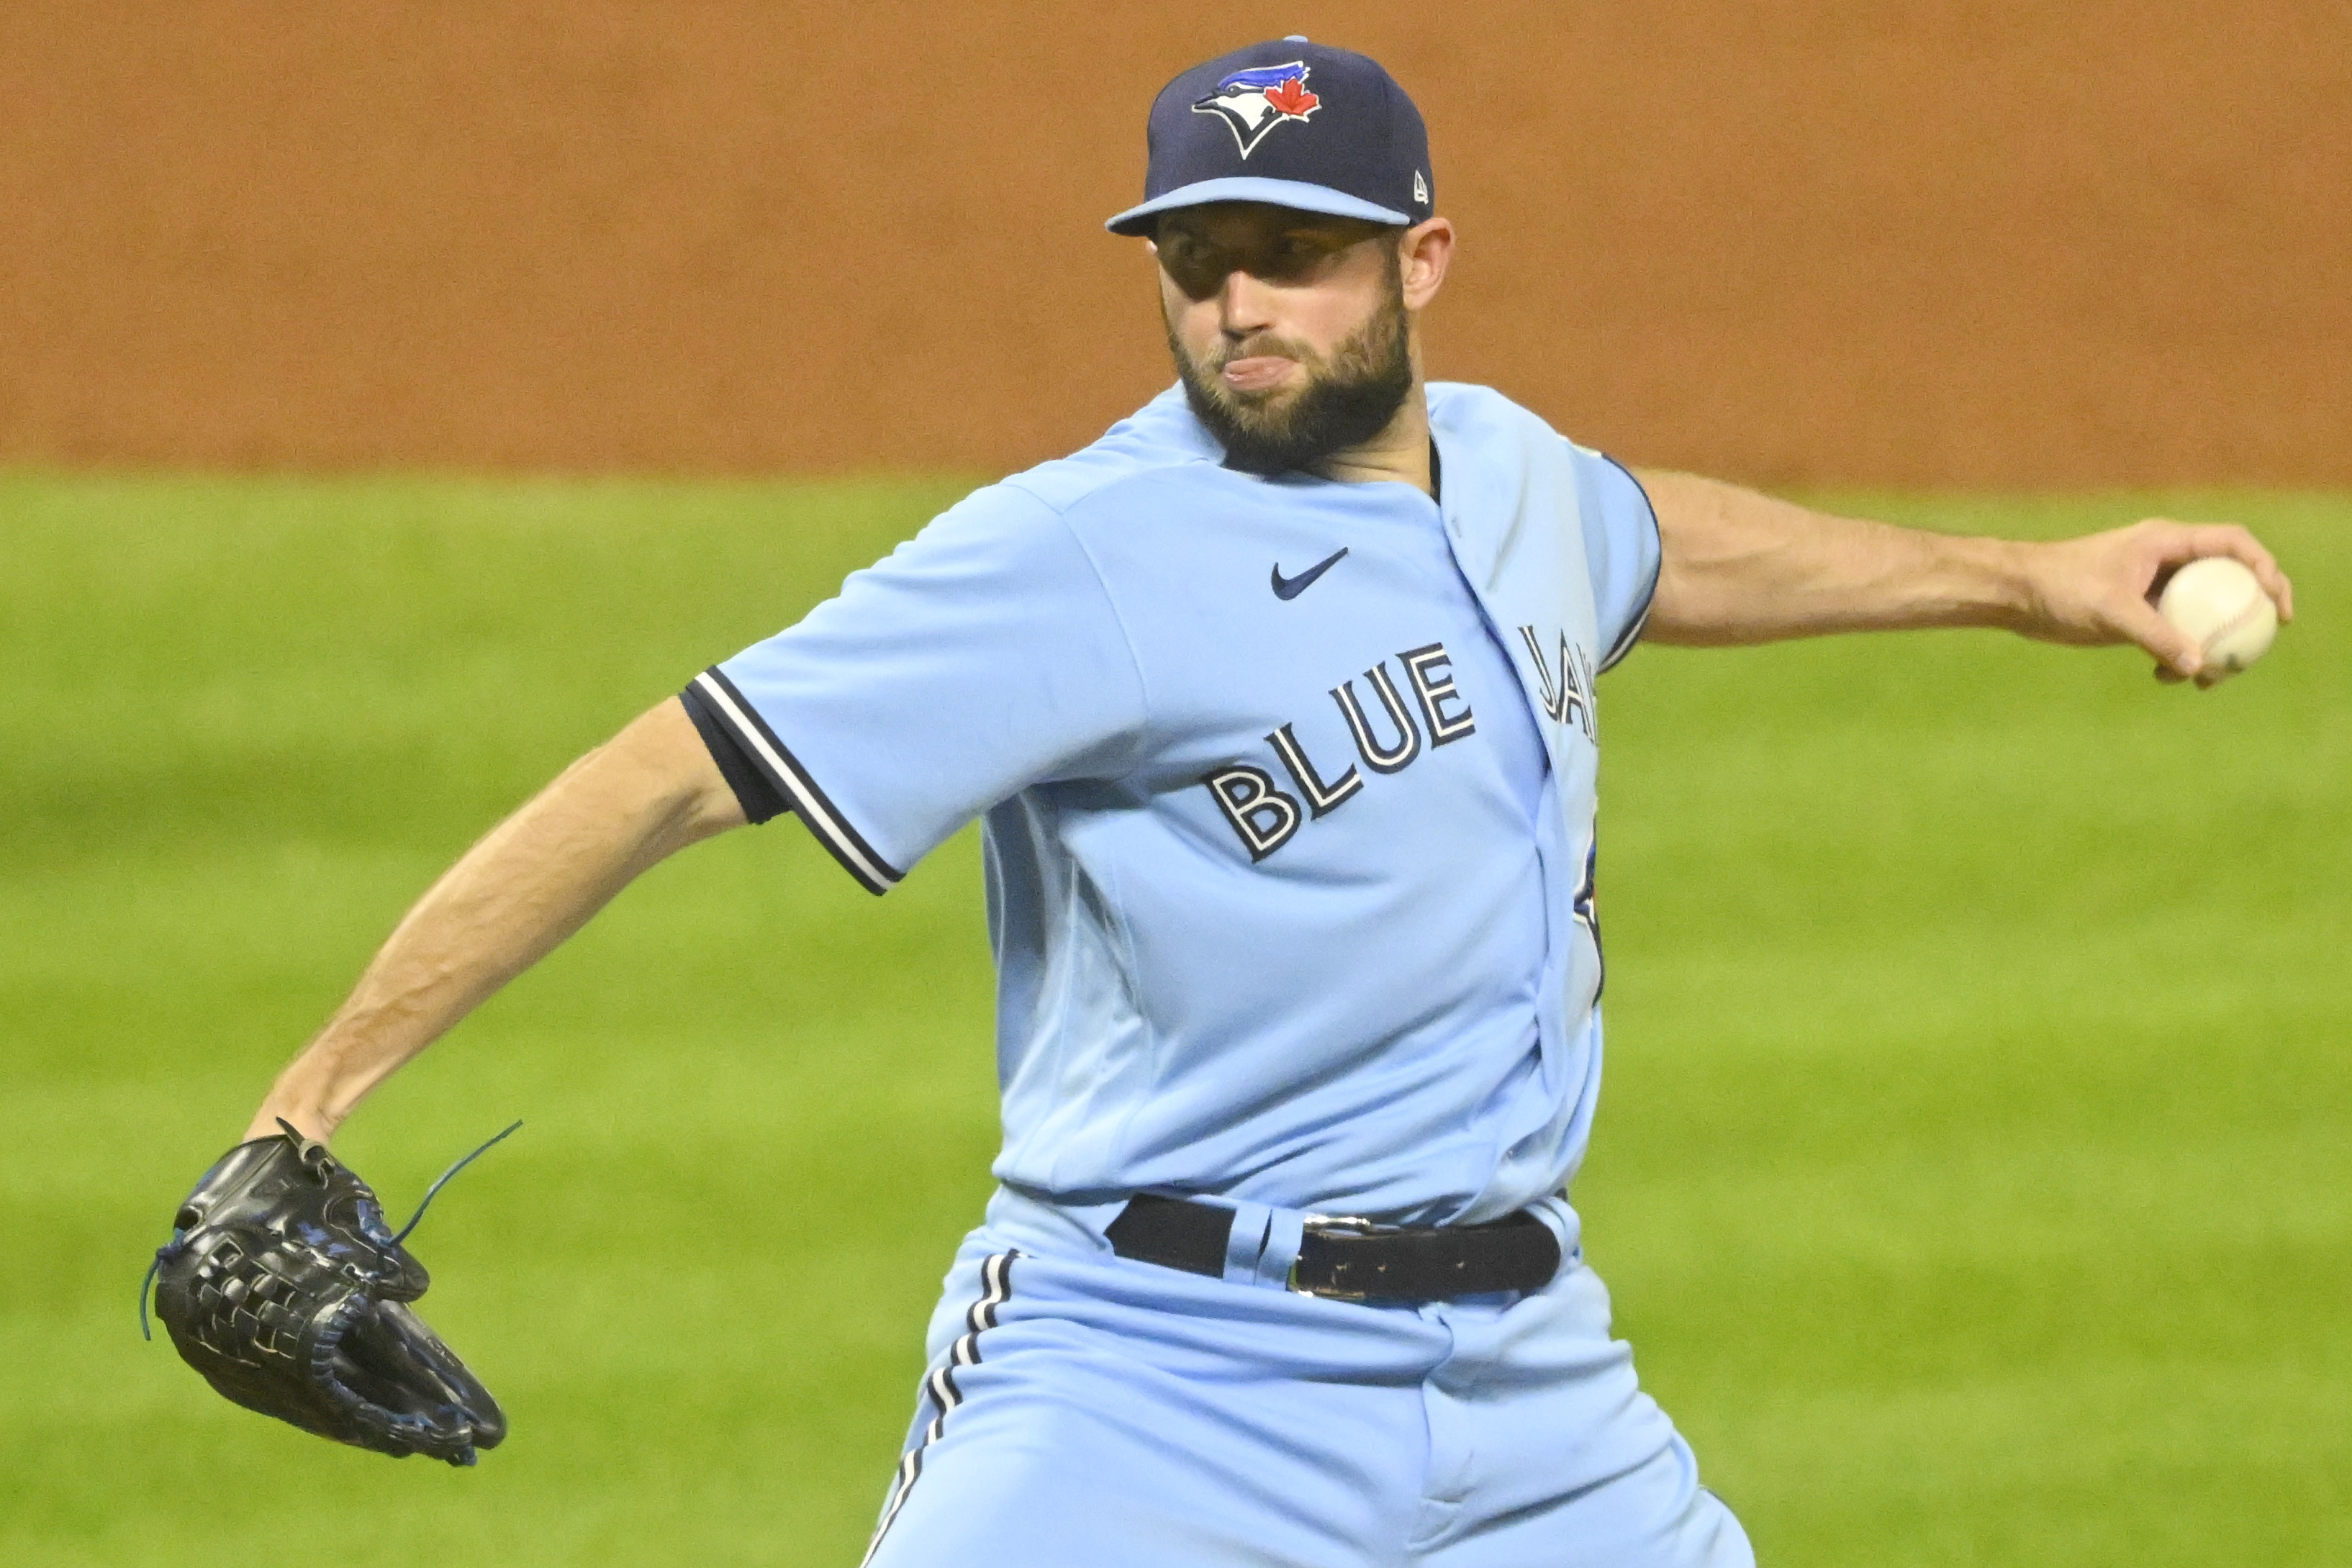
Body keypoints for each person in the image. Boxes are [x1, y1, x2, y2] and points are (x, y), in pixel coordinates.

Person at [240, 37, 2290, 1567]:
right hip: (1155, 1376)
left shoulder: (1500, 470)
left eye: (1294, 257)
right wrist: (302, 1110)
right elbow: (664, 775)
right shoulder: (1080, 552)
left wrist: (2027, 581)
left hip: (1525, 1385)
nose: (1241, 305)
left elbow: (1656, 540)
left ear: (1421, 257)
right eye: (1199, 258)